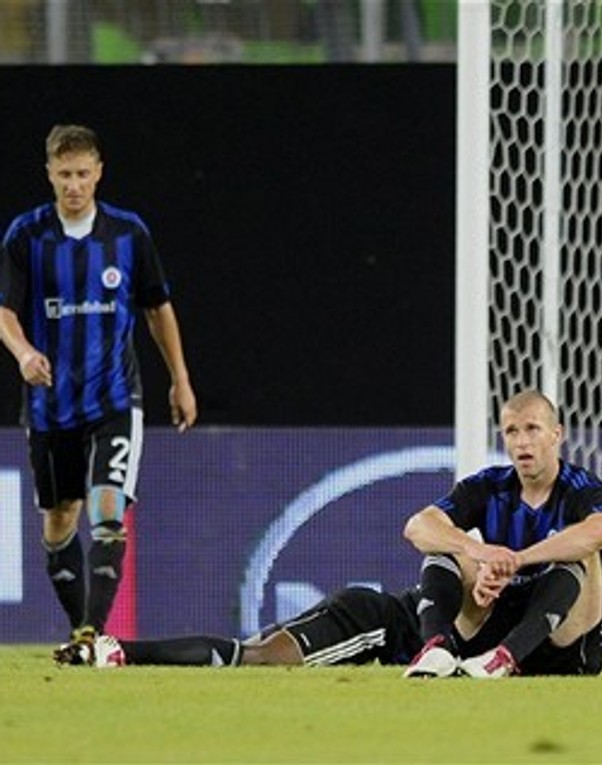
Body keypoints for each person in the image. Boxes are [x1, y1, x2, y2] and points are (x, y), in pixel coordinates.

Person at [0, 124, 197, 646]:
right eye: (64, 174)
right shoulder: (26, 236)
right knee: (60, 519)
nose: (74, 184)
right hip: (49, 405)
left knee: (108, 511)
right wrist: (23, 353)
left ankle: (92, 634)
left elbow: (158, 308)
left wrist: (180, 379)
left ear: (99, 173)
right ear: (49, 174)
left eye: (83, 173)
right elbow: (3, 312)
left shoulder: (129, 235)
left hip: (114, 397)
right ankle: (78, 627)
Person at [401, 389, 602, 679]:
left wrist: (518, 559)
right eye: (511, 431)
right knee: (445, 543)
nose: (522, 442)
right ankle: (436, 649)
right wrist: (481, 553)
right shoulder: (489, 485)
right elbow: (418, 526)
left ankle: (506, 657)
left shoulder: (582, 488)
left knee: (581, 549)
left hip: (564, 641)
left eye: (532, 429)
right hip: (496, 624)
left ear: (556, 434)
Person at [54, 585, 426, 669]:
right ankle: (118, 651)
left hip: (367, 608)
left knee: (243, 658)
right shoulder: (476, 563)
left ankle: (106, 651)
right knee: (259, 660)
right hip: (372, 623)